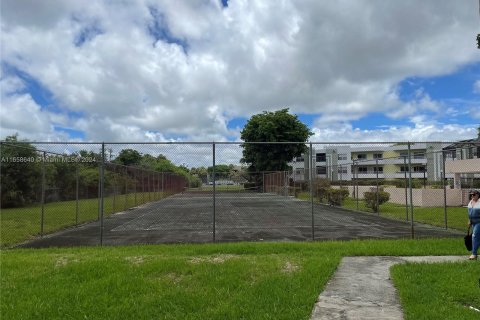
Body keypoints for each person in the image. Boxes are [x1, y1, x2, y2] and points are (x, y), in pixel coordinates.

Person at [467, 189, 480, 260]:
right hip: (473, 222)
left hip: (479, 222)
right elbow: (469, 213)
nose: (472, 196)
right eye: (471, 195)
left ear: (478, 195)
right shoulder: (470, 202)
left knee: (474, 236)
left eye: (474, 194)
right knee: (477, 237)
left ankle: (474, 254)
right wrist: (469, 220)